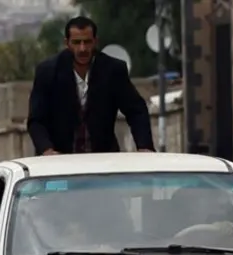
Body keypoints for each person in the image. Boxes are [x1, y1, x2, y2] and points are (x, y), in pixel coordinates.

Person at [27, 16, 155, 156]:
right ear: (67, 43)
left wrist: (144, 147)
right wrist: (47, 150)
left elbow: (136, 110)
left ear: (95, 41)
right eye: (76, 42)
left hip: (103, 160)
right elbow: (36, 120)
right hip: (60, 161)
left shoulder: (113, 70)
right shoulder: (48, 71)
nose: (82, 48)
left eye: (87, 42)